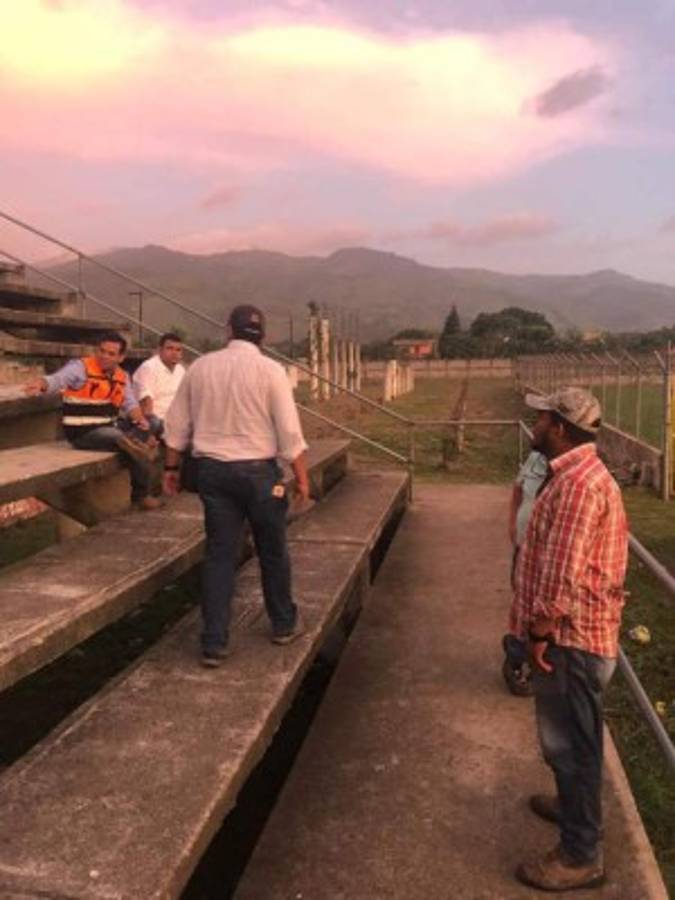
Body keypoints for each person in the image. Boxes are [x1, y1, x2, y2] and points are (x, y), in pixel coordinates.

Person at [511, 387, 628, 892]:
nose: (535, 424)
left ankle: (581, 855)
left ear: (559, 428)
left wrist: (538, 633)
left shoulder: (578, 486)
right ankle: (571, 806)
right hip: (574, 636)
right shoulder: (577, 475)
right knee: (572, 742)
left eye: (541, 418)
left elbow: (562, 576)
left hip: (570, 640)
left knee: (572, 747)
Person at [163, 304, 310, 667]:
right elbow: (289, 431)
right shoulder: (271, 370)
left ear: (228, 330)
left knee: (219, 555)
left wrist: (171, 468)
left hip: (214, 474)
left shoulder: (200, 367)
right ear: (264, 336)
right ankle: (283, 624)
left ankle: (214, 642)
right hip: (260, 475)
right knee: (272, 551)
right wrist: (302, 477)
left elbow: (177, 424)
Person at [24, 331, 162, 511]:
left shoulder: (122, 376)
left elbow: (130, 404)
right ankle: (141, 492)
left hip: (110, 426)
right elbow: (58, 379)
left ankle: (133, 444)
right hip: (83, 432)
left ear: (121, 357)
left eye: (111, 354)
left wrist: (142, 421)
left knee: (154, 421)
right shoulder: (81, 368)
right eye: (102, 351)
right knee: (117, 437)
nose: (104, 356)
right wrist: (42, 383)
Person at [502, 449, 549, 697]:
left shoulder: (569, 472)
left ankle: (532, 663)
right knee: (520, 600)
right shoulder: (535, 458)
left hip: (547, 556)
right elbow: (518, 489)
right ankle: (516, 655)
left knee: (541, 608)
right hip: (523, 548)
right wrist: (513, 522)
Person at [132, 332, 186, 433]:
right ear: (160, 350)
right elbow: (145, 403)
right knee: (154, 422)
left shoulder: (181, 370)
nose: (174, 353)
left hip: (174, 420)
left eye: (178, 350)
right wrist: (150, 431)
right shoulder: (149, 367)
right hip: (154, 420)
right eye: (170, 348)